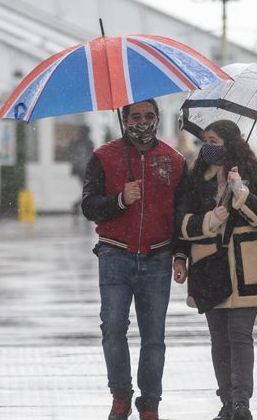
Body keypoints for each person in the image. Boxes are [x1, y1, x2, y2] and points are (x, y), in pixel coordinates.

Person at [81, 99, 189, 420]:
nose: (143, 122)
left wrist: (180, 254)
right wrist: (120, 199)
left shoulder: (174, 161)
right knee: (113, 327)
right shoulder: (103, 157)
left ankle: (151, 402)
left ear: (158, 118)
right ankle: (121, 395)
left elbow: (182, 213)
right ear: (124, 119)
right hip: (115, 253)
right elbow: (89, 205)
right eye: (137, 116)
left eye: (150, 116)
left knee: (154, 335)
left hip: (158, 256)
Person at [175, 119, 257, 420]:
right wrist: (207, 223)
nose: (208, 146)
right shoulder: (197, 176)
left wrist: (242, 195)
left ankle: (241, 402)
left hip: (248, 267)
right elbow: (181, 223)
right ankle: (225, 400)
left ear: (231, 143)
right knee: (219, 337)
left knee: (239, 333)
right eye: (205, 140)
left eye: (215, 141)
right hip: (209, 266)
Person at [67, 125, 95, 212]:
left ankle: (78, 204)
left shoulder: (87, 143)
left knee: (88, 190)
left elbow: (92, 156)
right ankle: (81, 205)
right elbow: (72, 156)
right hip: (83, 170)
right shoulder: (79, 143)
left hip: (85, 170)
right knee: (88, 190)